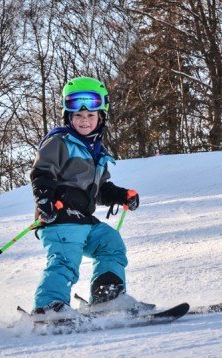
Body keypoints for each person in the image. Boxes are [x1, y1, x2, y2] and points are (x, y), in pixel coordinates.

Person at [30, 76, 141, 321]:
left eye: (90, 116)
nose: (84, 120)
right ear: (68, 117)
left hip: (84, 220)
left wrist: (121, 195)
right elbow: (42, 172)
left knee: (111, 243)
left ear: (101, 118)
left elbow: (99, 190)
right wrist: (44, 201)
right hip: (59, 218)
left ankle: (107, 296)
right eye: (78, 116)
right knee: (65, 260)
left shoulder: (97, 152)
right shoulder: (59, 142)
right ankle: (48, 308)